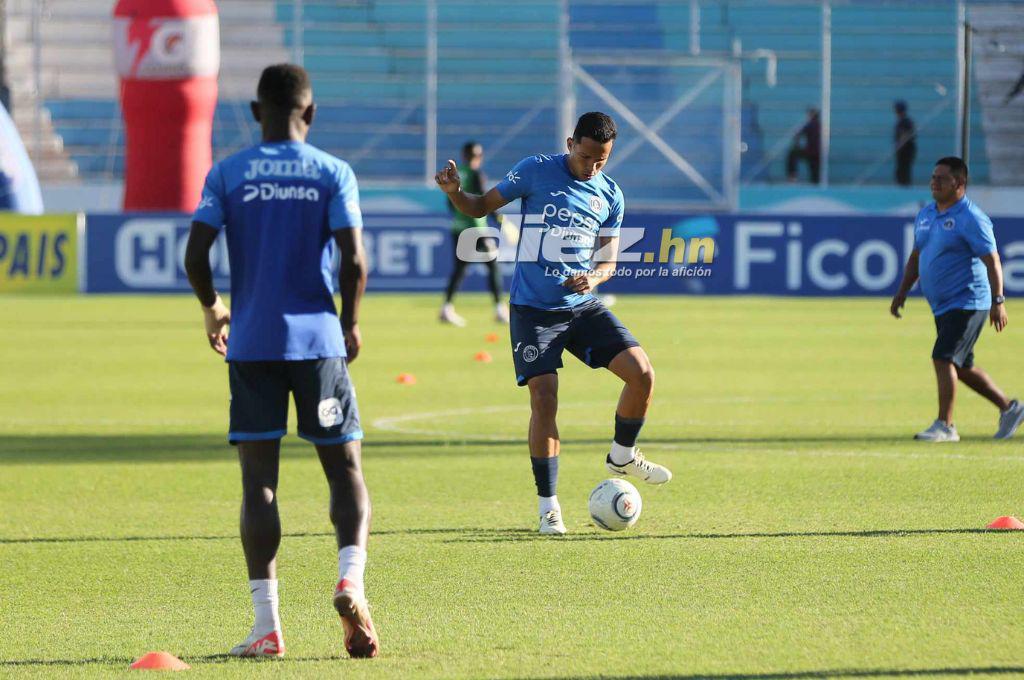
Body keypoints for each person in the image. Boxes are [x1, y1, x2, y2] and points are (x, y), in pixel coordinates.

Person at [184, 64, 379, 659]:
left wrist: (215, 307)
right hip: (317, 342)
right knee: (344, 468)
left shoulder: (228, 173)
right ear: (310, 114)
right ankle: (350, 578)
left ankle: (267, 627)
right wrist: (348, 321)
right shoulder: (332, 172)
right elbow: (354, 259)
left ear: (254, 113)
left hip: (253, 342)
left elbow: (196, 254)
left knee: (259, 484)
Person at [434, 112, 672, 536]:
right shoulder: (534, 171)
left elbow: (609, 258)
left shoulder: (610, 194)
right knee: (544, 399)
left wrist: (594, 277)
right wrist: (456, 192)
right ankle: (549, 508)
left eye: (601, 161)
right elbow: (478, 206)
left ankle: (622, 454)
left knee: (642, 374)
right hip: (533, 310)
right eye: (585, 157)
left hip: (582, 306)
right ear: (570, 143)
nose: (591, 168)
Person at [890, 156, 1024, 442]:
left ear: (959, 184)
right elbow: (917, 256)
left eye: (942, 178)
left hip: (968, 300)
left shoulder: (971, 218)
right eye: (933, 177)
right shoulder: (926, 214)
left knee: (943, 357)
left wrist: (998, 301)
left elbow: (993, 260)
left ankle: (945, 426)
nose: (934, 182)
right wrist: (902, 291)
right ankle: (1010, 408)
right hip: (942, 304)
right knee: (961, 367)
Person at [440, 141, 508, 326]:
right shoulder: (476, 175)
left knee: (460, 268)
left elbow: (450, 202)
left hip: (458, 227)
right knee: (493, 266)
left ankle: (446, 307)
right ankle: (500, 309)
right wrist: (500, 219)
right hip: (476, 228)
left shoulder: (456, 173)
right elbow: (484, 202)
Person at [786, 107, 820, 184]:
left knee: (792, 153)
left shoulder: (810, 124)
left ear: (810, 115)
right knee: (814, 171)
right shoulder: (821, 125)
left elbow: (797, 134)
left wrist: (796, 145)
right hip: (818, 153)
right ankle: (816, 183)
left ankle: (792, 176)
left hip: (810, 152)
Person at [894, 100, 916, 186]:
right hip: (904, 150)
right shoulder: (904, 121)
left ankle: (904, 186)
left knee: (903, 170)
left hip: (906, 150)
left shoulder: (905, 122)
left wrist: (899, 145)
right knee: (901, 170)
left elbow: (905, 135)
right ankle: (903, 184)